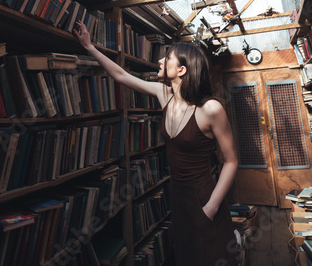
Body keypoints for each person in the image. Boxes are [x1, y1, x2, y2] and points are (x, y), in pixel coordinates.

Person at [74, 21, 239, 266]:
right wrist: (89, 47)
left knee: (211, 255)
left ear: (181, 70)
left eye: (167, 58)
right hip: (177, 194)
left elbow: (231, 161)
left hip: (203, 196)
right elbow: (120, 75)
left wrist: (212, 207)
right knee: (187, 256)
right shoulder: (165, 95)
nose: (160, 61)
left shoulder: (211, 108)